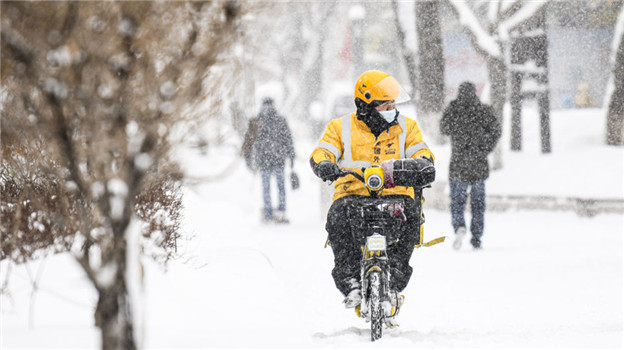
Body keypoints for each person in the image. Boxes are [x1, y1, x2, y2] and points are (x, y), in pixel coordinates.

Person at [309, 70, 435, 314]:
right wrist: (324, 164)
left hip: (396, 196)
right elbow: (321, 152)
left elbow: (423, 153)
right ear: (365, 106)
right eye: (385, 104)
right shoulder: (339, 127)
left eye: (393, 103)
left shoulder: (407, 127)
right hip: (351, 197)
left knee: (412, 217)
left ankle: (395, 282)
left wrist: (418, 165)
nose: (392, 108)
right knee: (337, 218)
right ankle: (350, 282)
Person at [440, 82, 501, 250]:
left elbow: (443, 128)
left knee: (457, 201)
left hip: (458, 164)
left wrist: (453, 112)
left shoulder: (454, 110)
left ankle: (459, 225)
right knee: (478, 203)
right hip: (478, 164)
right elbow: (496, 131)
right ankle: (476, 235)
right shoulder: (483, 110)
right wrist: (484, 148)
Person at [242, 97, 295, 223]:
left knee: (266, 188)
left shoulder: (256, 121)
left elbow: (248, 143)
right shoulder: (280, 120)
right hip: (278, 159)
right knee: (280, 187)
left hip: (263, 160)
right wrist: (291, 157)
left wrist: (249, 161)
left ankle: (268, 213)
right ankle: (281, 212)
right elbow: (288, 140)